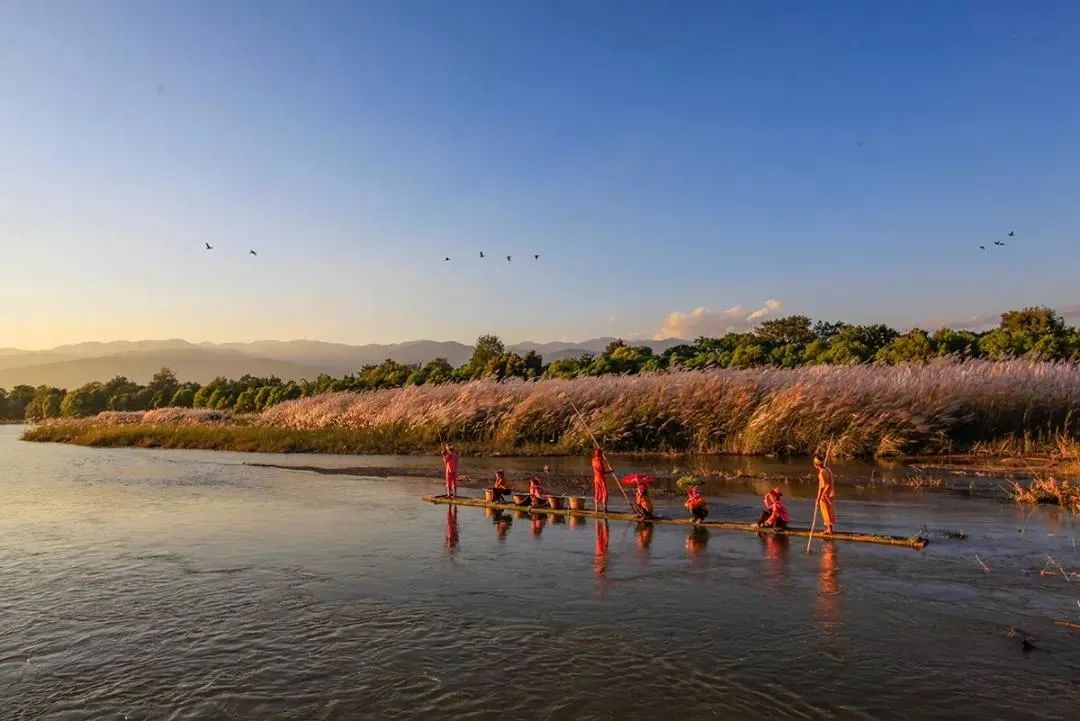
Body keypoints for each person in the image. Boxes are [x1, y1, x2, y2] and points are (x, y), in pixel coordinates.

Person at [814, 456, 836, 534]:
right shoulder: (828, 469)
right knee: (829, 510)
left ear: (816, 465)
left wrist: (819, 498)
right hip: (830, 493)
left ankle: (829, 530)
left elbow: (824, 486)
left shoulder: (822, 473)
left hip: (826, 495)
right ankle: (830, 529)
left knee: (826, 511)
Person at [591, 448, 609, 513]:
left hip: (596, 479)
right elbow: (603, 472)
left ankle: (596, 509)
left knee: (597, 492)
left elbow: (598, 460)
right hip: (601, 479)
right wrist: (611, 471)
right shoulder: (599, 461)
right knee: (604, 492)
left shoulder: (593, 460)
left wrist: (602, 459)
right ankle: (605, 509)